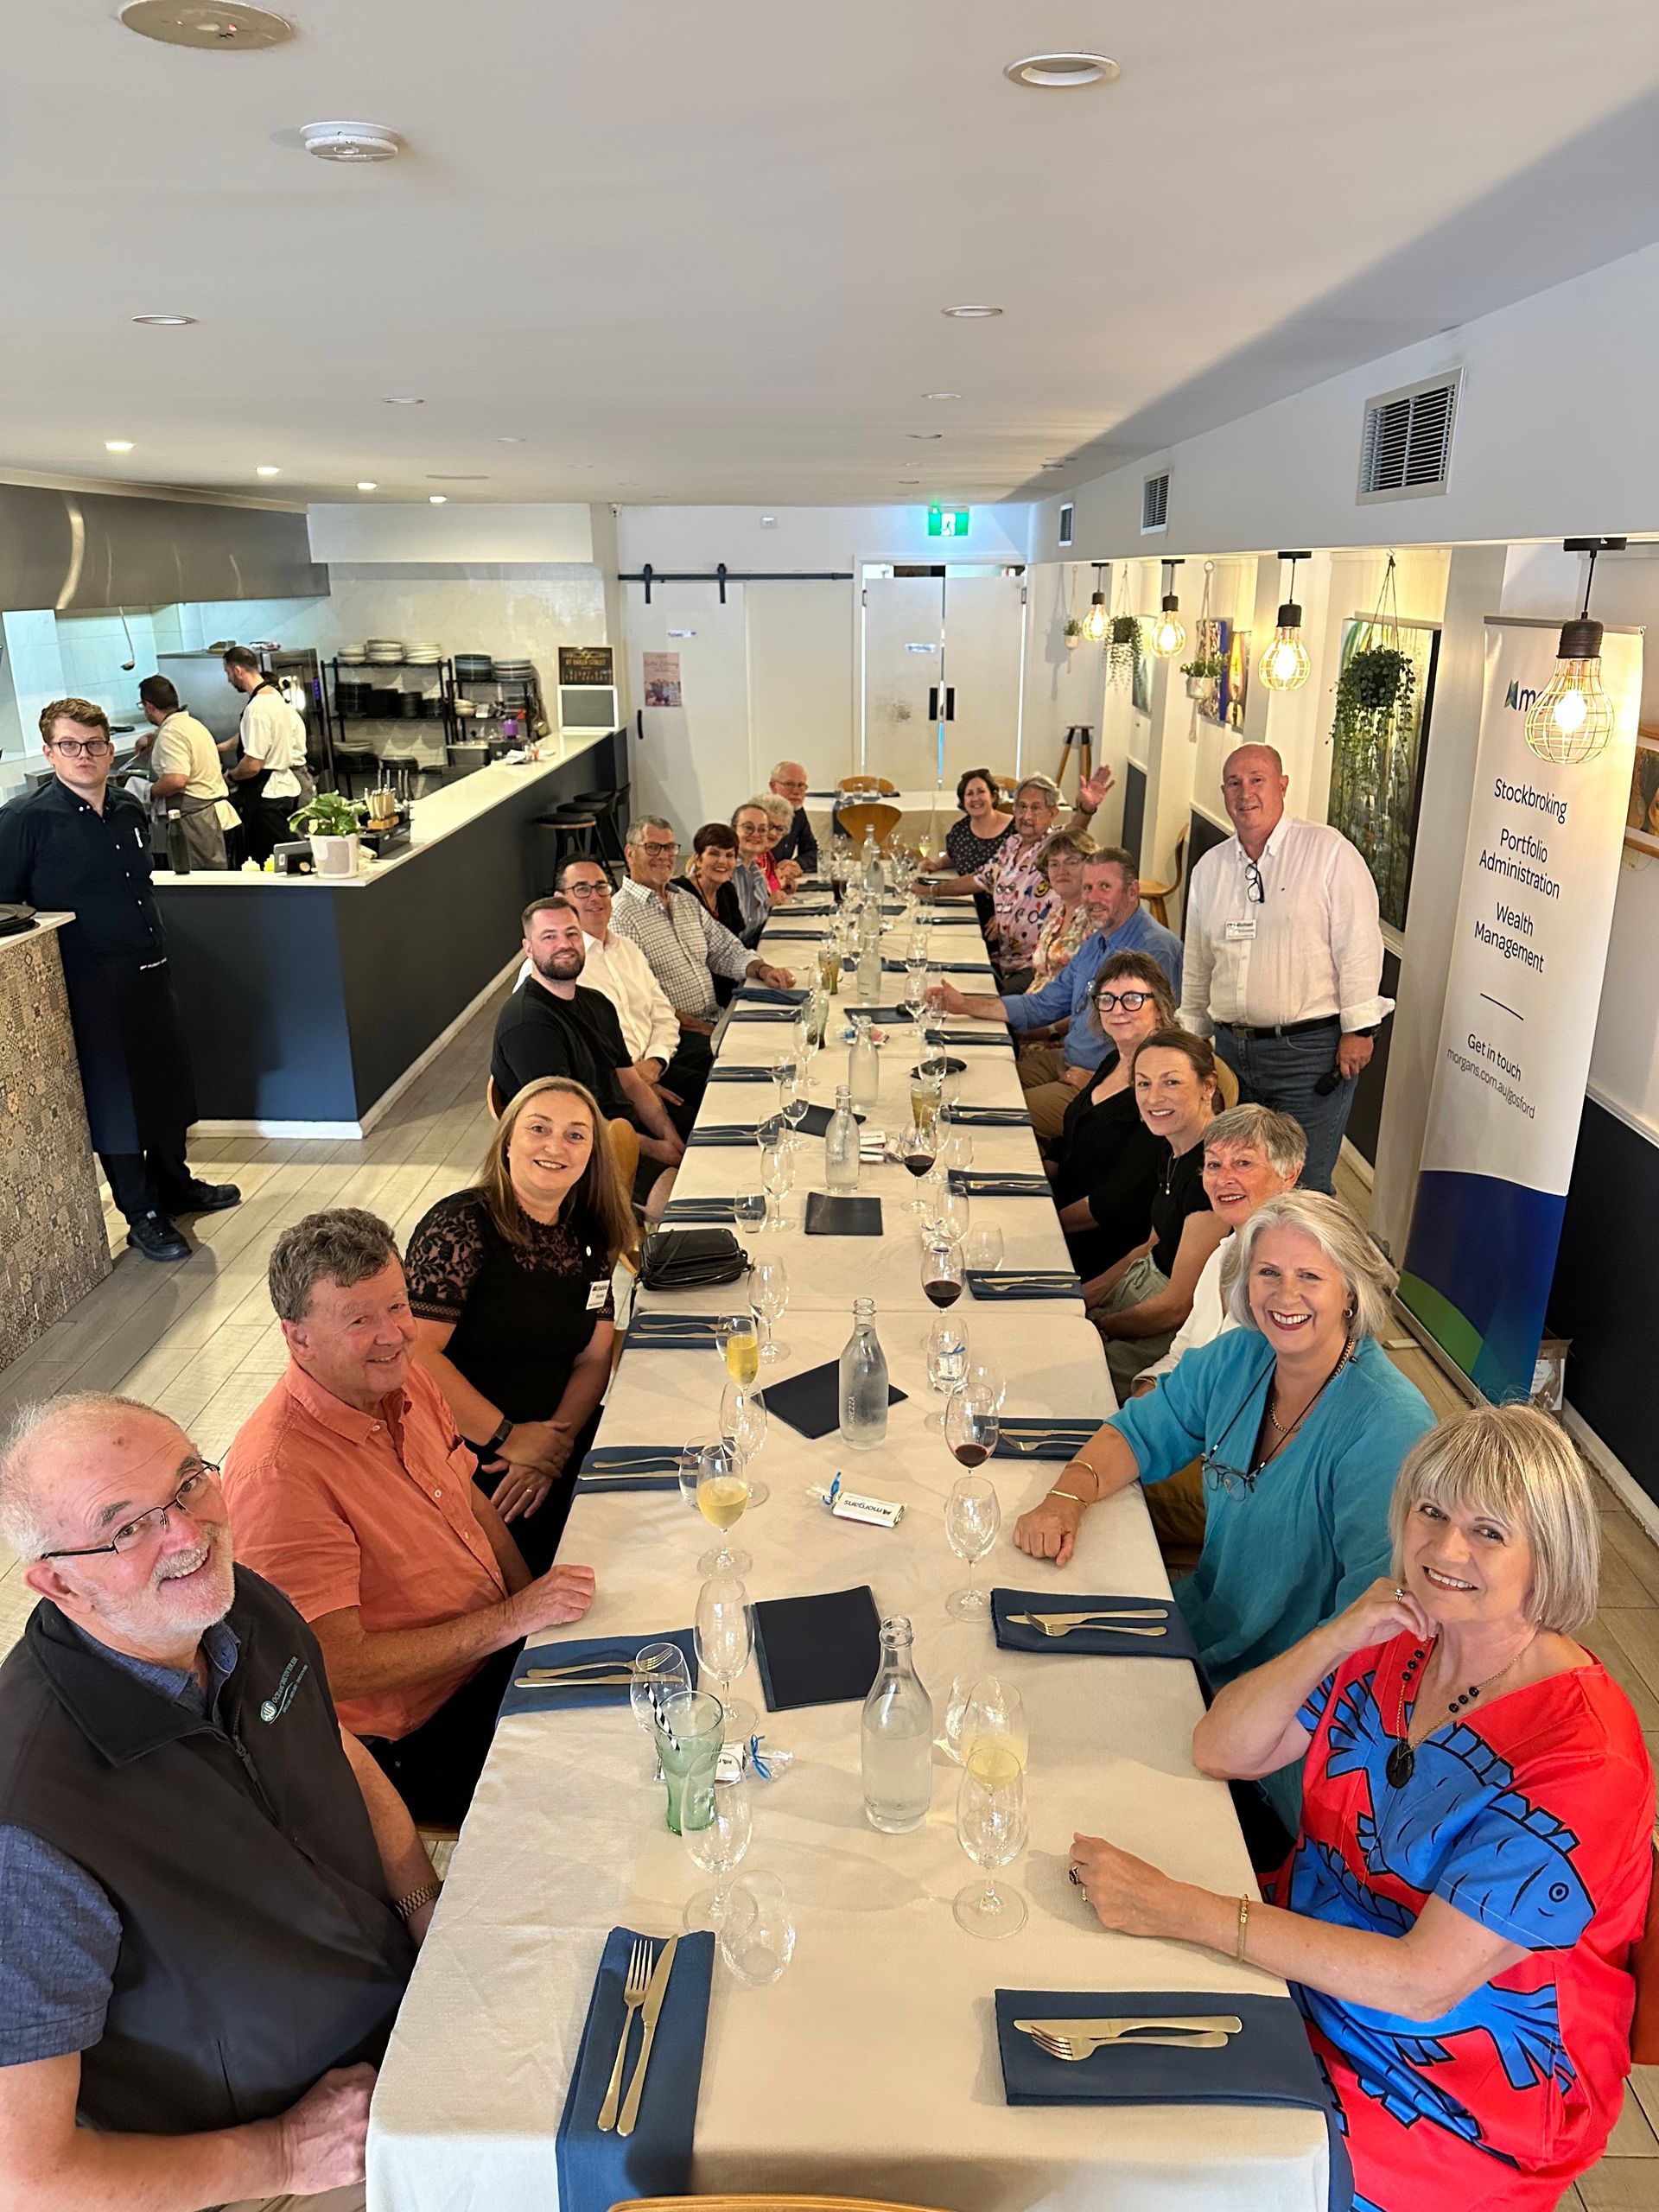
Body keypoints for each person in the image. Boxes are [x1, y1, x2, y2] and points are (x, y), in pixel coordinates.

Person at [1071, 1404, 1654, 2212]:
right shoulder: (1402, 1641)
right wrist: (1337, 1635)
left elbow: (1422, 1984)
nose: (1446, 1550)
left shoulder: (1583, 1756)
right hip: (1298, 1974)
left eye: (1488, 1532)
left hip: (1450, 2094)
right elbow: (1224, 1750)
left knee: (1136, 2168)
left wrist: (1180, 1909)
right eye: (1431, 1512)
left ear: (1549, 1558)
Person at [0, 1391, 430, 2212]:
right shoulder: (30, 1822)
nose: (188, 1535)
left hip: (405, 2013)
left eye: (189, 1481)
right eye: (127, 1528)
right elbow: (27, 2178)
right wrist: (283, 2156)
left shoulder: (239, 1606)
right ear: (56, 1581)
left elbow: (332, 1744)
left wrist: (421, 1902)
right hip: (288, 2158)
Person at [1014, 1191, 1434, 1826]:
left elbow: (1373, 1630)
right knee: (1042, 1708)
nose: (1285, 1295)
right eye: (1268, 1272)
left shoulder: (1387, 1428)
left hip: (1293, 1712)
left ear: (1351, 1291)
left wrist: (1255, 1719)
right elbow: (1141, 1430)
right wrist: (1065, 1497)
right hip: (1203, 1636)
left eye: (1310, 1276)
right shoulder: (1243, 1357)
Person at [221, 1208, 598, 1828]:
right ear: (297, 1338)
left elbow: (470, 1501)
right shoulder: (278, 1476)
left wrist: (530, 1611)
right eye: (359, 1319)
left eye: (397, 1306)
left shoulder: (408, 1381)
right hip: (422, 1735)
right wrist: (514, 1620)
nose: (393, 1335)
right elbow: (335, 1666)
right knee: (606, 1779)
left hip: (493, 1652)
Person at [0, 697, 239, 1264]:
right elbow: (6, 906)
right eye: (70, 745)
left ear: (110, 749)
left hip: (150, 969)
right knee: (118, 1101)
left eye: (94, 744)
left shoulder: (129, 808)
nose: (84, 755)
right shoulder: (25, 820)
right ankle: (141, 1214)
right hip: (89, 984)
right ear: (50, 752)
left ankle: (175, 1184)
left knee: (166, 1083)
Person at [406, 1079, 633, 1575]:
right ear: (508, 1140)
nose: (556, 1146)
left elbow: (595, 1355)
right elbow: (415, 1355)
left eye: (575, 1135)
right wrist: (510, 1439)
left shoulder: (589, 1234)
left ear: (592, 1154)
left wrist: (554, 1447)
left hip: (559, 1437)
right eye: (539, 1129)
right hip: (473, 1454)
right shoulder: (460, 1227)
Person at [1179, 743, 1392, 1194]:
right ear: (1223, 792)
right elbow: (1197, 960)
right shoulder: (1210, 869)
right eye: (1234, 783)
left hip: (1308, 1056)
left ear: (1282, 785)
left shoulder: (1327, 852)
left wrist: (1360, 1029)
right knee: (1238, 1180)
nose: (1245, 793)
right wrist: (1192, 1035)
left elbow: (1358, 944)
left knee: (1302, 1187)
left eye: (1257, 780)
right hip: (1231, 1053)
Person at [1130, 1103, 1307, 1570]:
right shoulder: (1225, 1253)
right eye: (1213, 1165)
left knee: (1114, 1493)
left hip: (1244, 1474)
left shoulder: (1296, 1282)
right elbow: (1183, 1351)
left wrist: (1160, 1423)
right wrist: (1148, 1392)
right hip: (1192, 1434)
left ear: (1289, 1174)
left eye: (1243, 1163)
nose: (1223, 1178)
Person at [934, 850, 1184, 1140]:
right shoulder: (1098, 942)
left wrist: (1106, 1082)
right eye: (1088, 888)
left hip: (1101, 1081)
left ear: (1132, 891)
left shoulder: (1154, 948)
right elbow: (1045, 1003)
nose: (1092, 898)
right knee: (977, 1083)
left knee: (993, 1112)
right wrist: (963, 1004)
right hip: (1067, 1058)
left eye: (1105, 887)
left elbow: (1160, 1039)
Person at [493, 896, 683, 1217]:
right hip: (583, 1152)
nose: (564, 945)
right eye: (549, 937)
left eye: (571, 934)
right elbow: (566, 1126)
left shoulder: (597, 1003)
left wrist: (669, 1136)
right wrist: (655, 1149)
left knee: (715, 1144)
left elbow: (632, 1083)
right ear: (528, 948)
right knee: (684, 1200)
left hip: (625, 1129)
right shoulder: (528, 1024)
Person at [1083, 1029, 1229, 1391]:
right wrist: (1083, 1296)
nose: (1153, 1098)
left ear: (1208, 1086)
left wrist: (1102, 1327)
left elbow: (1177, 1306)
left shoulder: (1213, 1175)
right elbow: (1150, 1245)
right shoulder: (1173, 1142)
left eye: (1171, 1082)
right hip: (1139, 1288)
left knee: (1069, 1378)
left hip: (1167, 1328)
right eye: (1144, 1083)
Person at [543, 856, 710, 1133]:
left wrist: (656, 1061)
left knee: (729, 1085)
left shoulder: (627, 949)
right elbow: (575, 1061)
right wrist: (633, 1083)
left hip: (660, 1063)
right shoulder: (556, 970)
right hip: (611, 1092)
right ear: (560, 901)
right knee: (705, 1127)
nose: (595, 897)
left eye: (601, 886)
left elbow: (663, 1013)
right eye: (582, 889)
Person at [1051, 953, 1179, 1282]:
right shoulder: (1116, 1060)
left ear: (1159, 1006)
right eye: (1107, 999)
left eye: (1132, 999)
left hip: (1100, 1247)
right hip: (1062, 1213)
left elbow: (1118, 1201)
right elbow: (1070, 1139)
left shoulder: (1161, 1088)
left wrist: (1046, 1225)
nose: (1117, 1009)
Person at [612, 814, 793, 1033]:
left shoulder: (683, 900)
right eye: (652, 847)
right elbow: (639, 999)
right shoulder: (620, 915)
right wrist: (706, 1031)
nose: (663, 856)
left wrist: (763, 970)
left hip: (715, 1016)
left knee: (789, 1023)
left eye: (669, 847)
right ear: (630, 853)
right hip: (676, 1034)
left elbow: (725, 949)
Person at [927, 773, 1064, 987]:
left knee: (980, 999)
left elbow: (1076, 832)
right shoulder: (1012, 844)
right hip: (1004, 958)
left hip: (1036, 965)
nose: (1027, 815)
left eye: (1035, 808)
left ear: (1052, 813)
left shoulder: (1055, 846)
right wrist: (932, 891)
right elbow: (980, 878)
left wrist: (1086, 811)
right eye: (1022, 807)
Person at [133, 673, 238, 871]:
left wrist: (148, 792)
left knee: (203, 885)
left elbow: (176, 780)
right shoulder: (191, 724)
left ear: (149, 706)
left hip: (199, 824)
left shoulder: (171, 733)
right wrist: (151, 738)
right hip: (217, 816)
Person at [222, 647, 308, 865]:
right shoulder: (275, 699)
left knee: (272, 863)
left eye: (228, 672)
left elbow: (252, 765)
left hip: (267, 796)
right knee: (289, 860)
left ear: (238, 670)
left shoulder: (257, 708)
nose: (228, 679)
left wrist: (230, 777)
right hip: (285, 790)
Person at [1026, 829, 1092, 995]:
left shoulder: (1095, 920)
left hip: (1061, 1009)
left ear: (1091, 866)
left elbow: (1091, 990)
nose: (1061, 871)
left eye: (1071, 862)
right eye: (1054, 864)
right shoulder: (1055, 915)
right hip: (1034, 1003)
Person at [939, 767, 1014, 876]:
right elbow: (954, 857)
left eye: (981, 792)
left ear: (993, 796)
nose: (975, 798)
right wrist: (936, 864)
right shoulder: (959, 831)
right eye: (970, 794)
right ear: (963, 801)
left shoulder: (1015, 830)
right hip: (964, 887)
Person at [730, 798, 779, 944]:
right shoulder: (723, 868)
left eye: (762, 830)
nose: (756, 834)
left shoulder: (754, 868)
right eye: (748, 828)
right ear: (733, 830)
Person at [767, 759, 819, 873]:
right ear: (773, 787)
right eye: (789, 784)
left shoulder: (797, 812)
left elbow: (814, 852)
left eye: (801, 785)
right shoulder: (760, 815)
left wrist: (797, 864)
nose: (796, 791)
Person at [760, 791, 801, 891]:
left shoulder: (768, 856)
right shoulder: (748, 856)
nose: (773, 833)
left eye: (780, 829)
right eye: (769, 826)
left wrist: (784, 884)